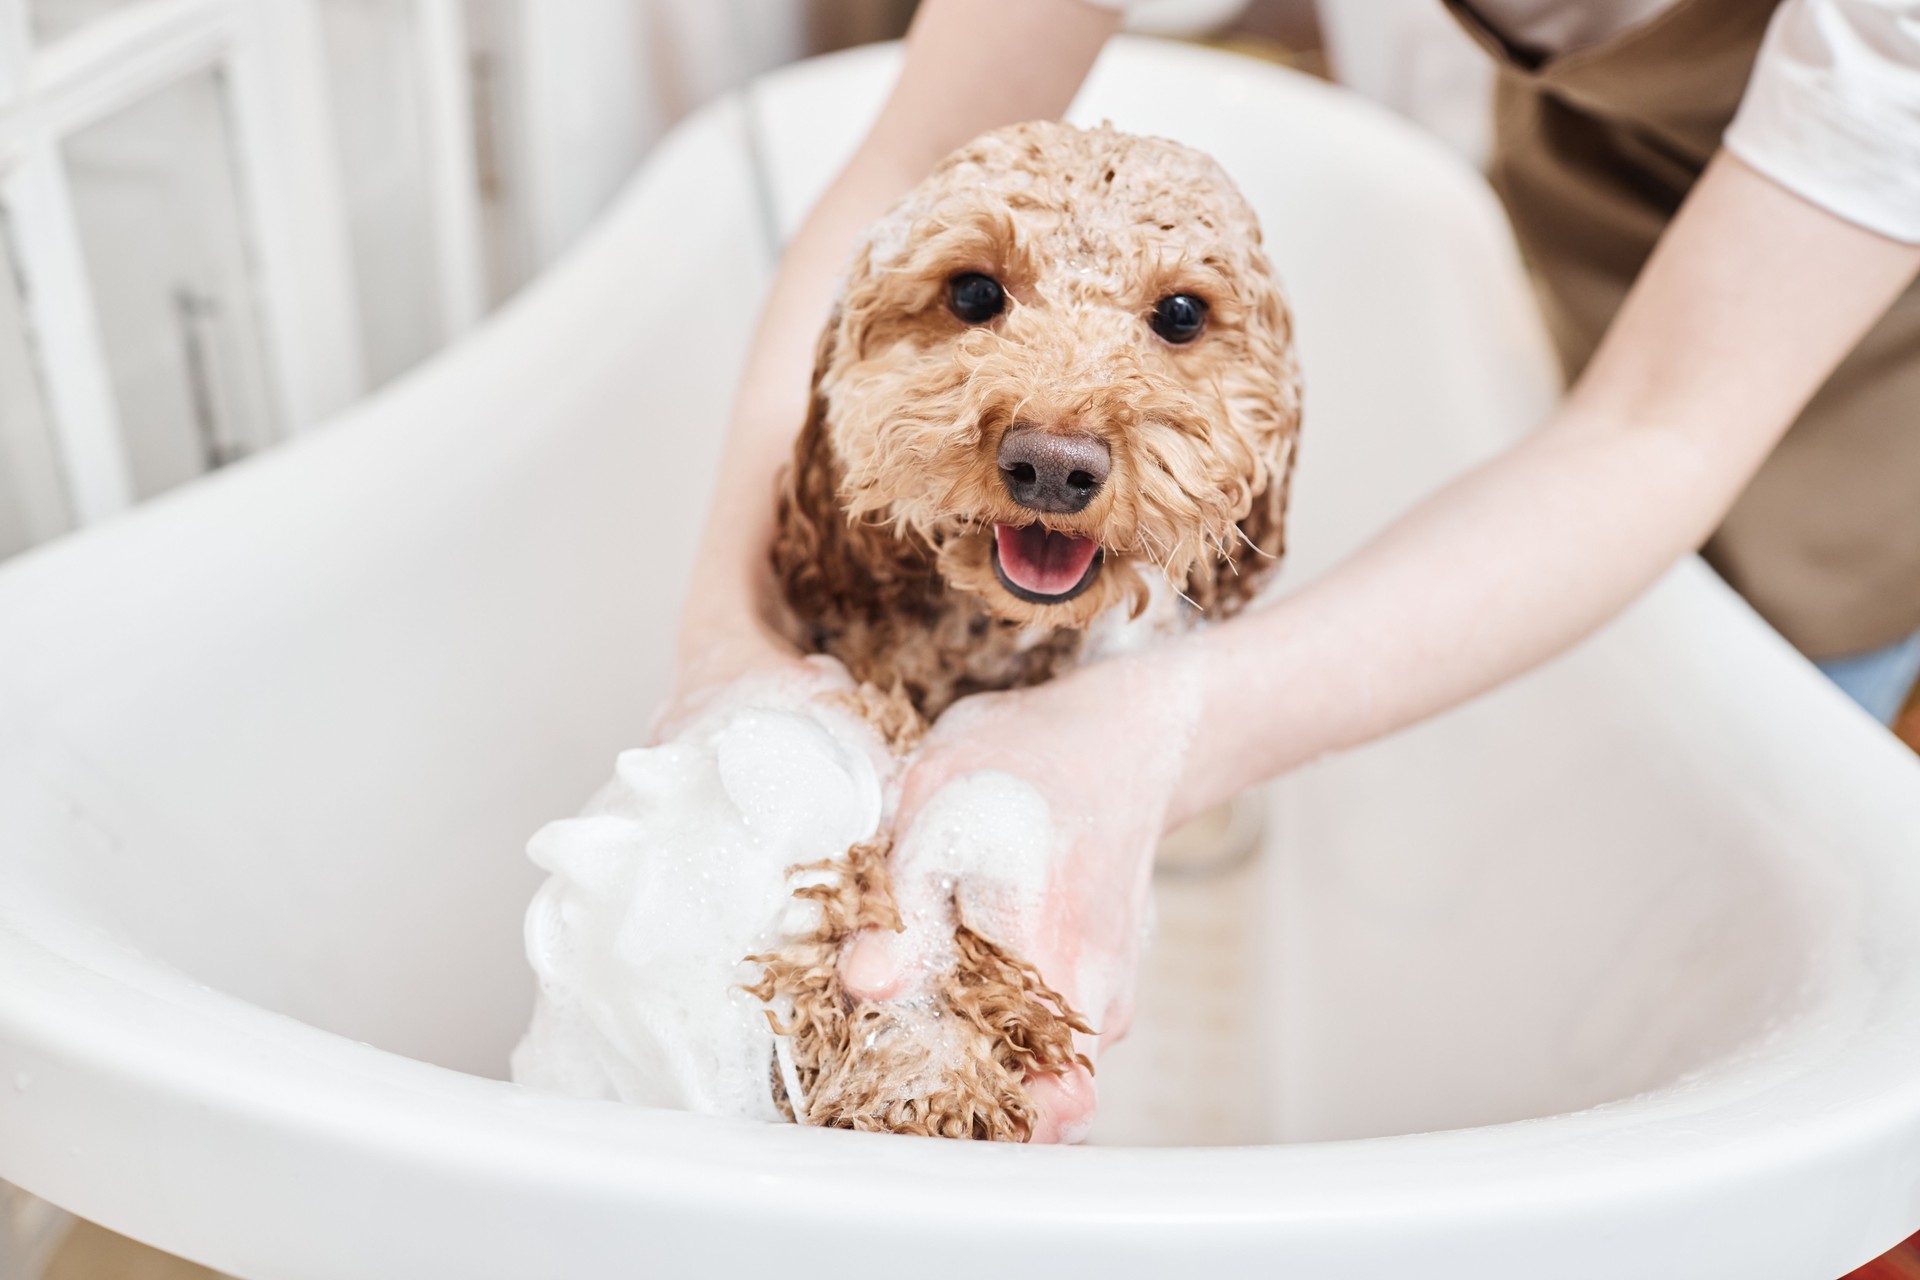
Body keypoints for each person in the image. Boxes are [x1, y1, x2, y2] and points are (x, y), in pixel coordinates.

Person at [666, 0, 1920, 1141]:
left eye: (1175, 321)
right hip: (1520, 236)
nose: (1052, 446)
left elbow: (1659, 428)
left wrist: (1174, 730)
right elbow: (905, 166)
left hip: (1839, 389)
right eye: (981, 295)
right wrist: (730, 621)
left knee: (1723, 885)